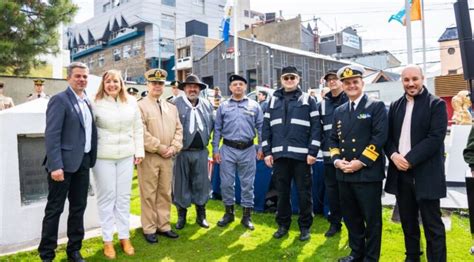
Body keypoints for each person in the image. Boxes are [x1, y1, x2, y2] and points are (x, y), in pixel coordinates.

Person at [385, 65, 447, 262]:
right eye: (406, 80)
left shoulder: (435, 104)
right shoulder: (395, 105)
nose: (410, 83)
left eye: (414, 79)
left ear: (423, 79)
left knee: (432, 226)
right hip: (401, 174)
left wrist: (409, 160)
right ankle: (412, 257)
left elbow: (435, 138)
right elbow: (387, 138)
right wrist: (394, 155)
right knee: (408, 223)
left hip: (426, 175)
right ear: (402, 81)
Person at [38, 62, 97, 262]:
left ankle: (74, 250)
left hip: (83, 163)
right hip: (61, 166)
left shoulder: (88, 101)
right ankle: (46, 254)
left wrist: (90, 158)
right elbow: (52, 135)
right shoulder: (59, 100)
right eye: (78, 76)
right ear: (68, 78)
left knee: (78, 208)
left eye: (85, 77)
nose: (82, 79)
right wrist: (56, 166)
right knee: (55, 209)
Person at [329, 65, 388, 262]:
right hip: (344, 173)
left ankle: (370, 258)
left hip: (367, 173)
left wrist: (360, 162)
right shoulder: (339, 111)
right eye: (347, 83)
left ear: (362, 83)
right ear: (342, 86)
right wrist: (337, 161)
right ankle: (356, 253)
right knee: (351, 217)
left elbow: (379, 137)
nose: (351, 85)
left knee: (371, 220)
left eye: (355, 81)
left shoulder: (375, 106)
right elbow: (332, 139)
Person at [262, 66, 320, 241]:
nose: (289, 80)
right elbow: (265, 128)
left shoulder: (308, 100)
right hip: (280, 157)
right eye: (286, 78)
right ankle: (282, 225)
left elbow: (316, 128)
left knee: (304, 194)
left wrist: (312, 151)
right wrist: (266, 152)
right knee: (282, 194)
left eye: (292, 77)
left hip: (302, 157)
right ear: (281, 80)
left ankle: (305, 227)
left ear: (298, 79)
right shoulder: (272, 101)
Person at [91, 70, 144, 259]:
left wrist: (139, 151)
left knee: (123, 198)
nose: (112, 84)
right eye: (108, 81)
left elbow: (137, 127)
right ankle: (107, 240)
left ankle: (124, 236)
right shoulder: (95, 102)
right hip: (102, 157)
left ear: (121, 83)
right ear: (103, 84)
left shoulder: (131, 102)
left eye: (115, 81)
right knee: (107, 198)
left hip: (126, 155)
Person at [137, 68, 183, 244]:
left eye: (160, 83)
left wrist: (174, 147)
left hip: (168, 156)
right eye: (154, 83)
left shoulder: (171, 107)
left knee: (165, 192)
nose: (157, 86)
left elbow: (179, 129)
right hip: (150, 156)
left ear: (164, 85)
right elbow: (140, 132)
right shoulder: (139, 106)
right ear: (147, 84)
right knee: (148, 193)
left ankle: (163, 225)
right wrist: (159, 147)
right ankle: (149, 228)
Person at [212, 74, 263, 230]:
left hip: (248, 149)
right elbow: (218, 129)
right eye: (235, 84)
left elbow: (261, 128)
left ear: (246, 87)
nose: (238, 87)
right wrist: (215, 149)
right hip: (227, 149)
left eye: (241, 84)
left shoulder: (254, 106)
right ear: (230, 87)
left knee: (248, 184)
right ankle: (229, 213)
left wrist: (261, 147)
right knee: (227, 184)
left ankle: (247, 216)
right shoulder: (223, 106)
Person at [173, 74, 214, 230]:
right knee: (181, 184)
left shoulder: (206, 104)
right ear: (184, 89)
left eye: (195, 87)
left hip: (201, 151)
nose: (192, 89)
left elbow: (212, 124)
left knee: (201, 183)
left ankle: (201, 216)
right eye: (189, 86)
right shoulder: (174, 104)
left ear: (199, 89)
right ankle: (181, 216)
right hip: (182, 152)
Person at [318, 69, 348, 237]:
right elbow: (318, 129)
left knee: (350, 193)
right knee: (333, 192)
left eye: (335, 78)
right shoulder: (322, 104)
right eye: (329, 79)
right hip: (329, 157)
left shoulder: (350, 99)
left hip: (350, 157)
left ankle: (354, 223)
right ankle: (335, 223)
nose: (332, 82)